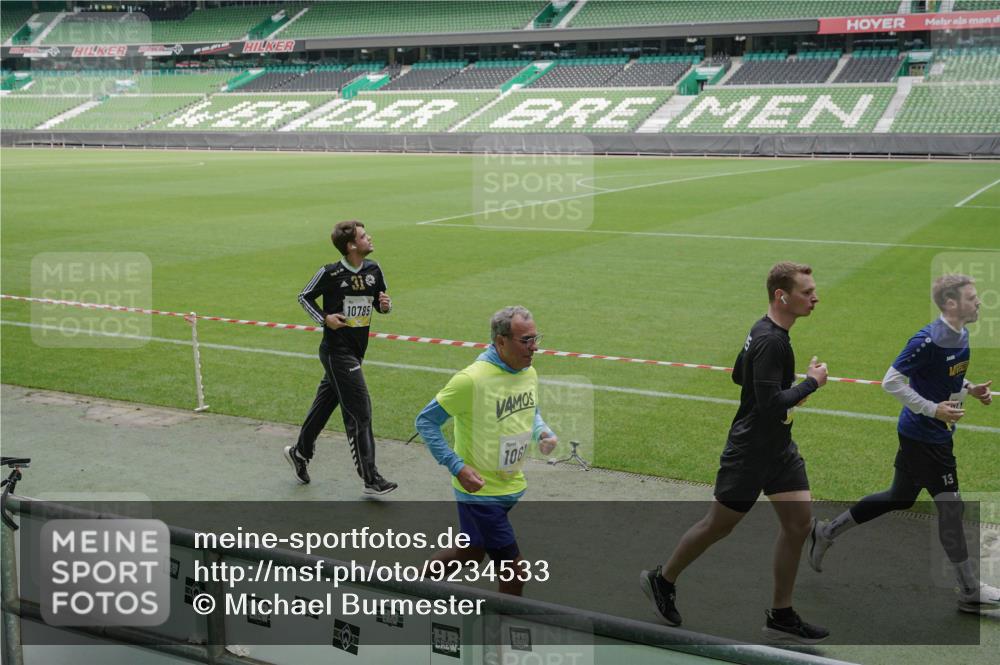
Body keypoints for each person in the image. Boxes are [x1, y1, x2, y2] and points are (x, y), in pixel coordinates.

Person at [641, 262, 830, 644]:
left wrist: (785, 388)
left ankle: (781, 614)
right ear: (782, 296)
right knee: (718, 525)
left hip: (779, 450)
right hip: (750, 454)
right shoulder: (771, 340)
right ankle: (661, 580)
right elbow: (768, 405)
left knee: (798, 525)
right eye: (807, 292)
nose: (815, 297)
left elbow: (739, 376)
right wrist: (810, 383)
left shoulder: (764, 330)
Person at [808, 274, 999, 613]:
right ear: (951, 304)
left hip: (929, 434)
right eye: (972, 298)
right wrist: (933, 409)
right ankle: (969, 590)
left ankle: (826, 531)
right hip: (925, 438)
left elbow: (945, 374)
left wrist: (969, 388)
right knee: (951, 509)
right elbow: (891, 381)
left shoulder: (961, 333)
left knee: (899, 496)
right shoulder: (926, 340)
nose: (979, 302)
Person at [415, 306, 557, 595]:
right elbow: (426, 421)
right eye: (526, 341)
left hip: (508, 486)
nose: (535, 347)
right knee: (515, 573)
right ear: (501, 341)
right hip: (480, 493)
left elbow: (530, 409)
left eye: (535, 338)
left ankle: (413, 588)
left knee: (469, 554)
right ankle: (501, 636)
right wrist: (457, 466)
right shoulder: (471, 380)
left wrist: (541, 430)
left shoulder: (528, 372)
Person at [283, 220, 396, 495]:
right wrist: (325, 319)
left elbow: (380, 300)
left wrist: (385, 306)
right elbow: (304, 297)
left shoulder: (374, 269)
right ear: (351, 245)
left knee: (324, 406)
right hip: (336, 353)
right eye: (363, 236)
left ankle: (300, 452)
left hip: (357, 351)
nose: (370, 238)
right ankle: (370, 477)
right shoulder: (330, 273)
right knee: (360, 411)